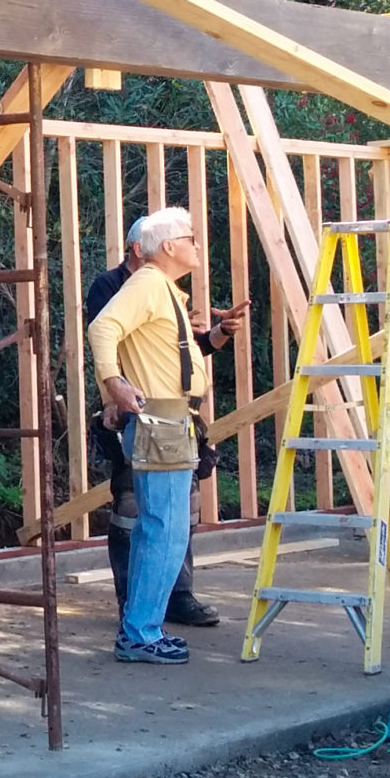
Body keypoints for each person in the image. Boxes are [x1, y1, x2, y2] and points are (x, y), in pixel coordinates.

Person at [84, 216, 244, 632]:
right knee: (157, 528)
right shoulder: (145, 283)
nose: (197, 246)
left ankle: (145, 623)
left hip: (175, 418)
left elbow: (179, 355)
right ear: (166, 247)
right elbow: (102, 328)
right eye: (190, 239)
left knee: (167, 528)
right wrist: (113, 387)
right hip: (157, 418)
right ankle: (140, 629)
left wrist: (218, 333)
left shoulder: (165, 289)